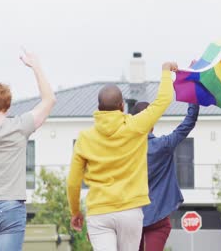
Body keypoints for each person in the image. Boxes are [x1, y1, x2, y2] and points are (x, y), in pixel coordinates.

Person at [67, 62, 177, 251]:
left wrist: (75, 211)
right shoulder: (136, 125)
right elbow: (163, 100)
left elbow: (73, 182)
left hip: (99, 212)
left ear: (99, 107)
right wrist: (165, 71)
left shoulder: (84, 138)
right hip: (130, 211)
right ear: (122, 105)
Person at [0, 50, 56, 251]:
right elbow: (49, 100)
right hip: (10, 207)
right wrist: (36, 66)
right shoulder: (20, 126)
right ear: (8, 105)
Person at [130, 103, 199, 251]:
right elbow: (189, 122)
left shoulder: (124, 150)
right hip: (158, 218)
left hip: (131, 217)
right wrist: (193, 99)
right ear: (152, 124)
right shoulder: (164, 145)